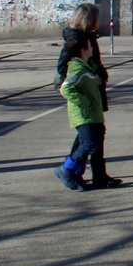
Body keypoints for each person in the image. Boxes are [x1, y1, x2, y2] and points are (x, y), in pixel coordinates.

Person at [56, 35, 121, 190]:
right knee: (90, 144)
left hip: (93, 114)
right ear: (83, 50)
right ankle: (67, 169)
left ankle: (77, 174)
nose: (93, 48)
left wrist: (95, 78)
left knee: (91, 143)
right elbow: (66, 88)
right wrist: (84, 102)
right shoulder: (78, 68)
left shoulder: (87, 67)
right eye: (90, 46)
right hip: (84, 115)